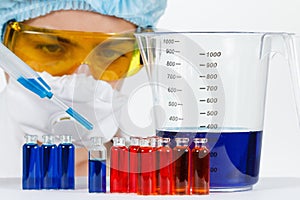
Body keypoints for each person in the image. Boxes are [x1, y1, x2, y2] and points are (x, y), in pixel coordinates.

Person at [0, 0, 167, 177]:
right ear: (5, 50)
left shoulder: (157, 175)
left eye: (109, 54)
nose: (80, 78)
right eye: (51, 48)